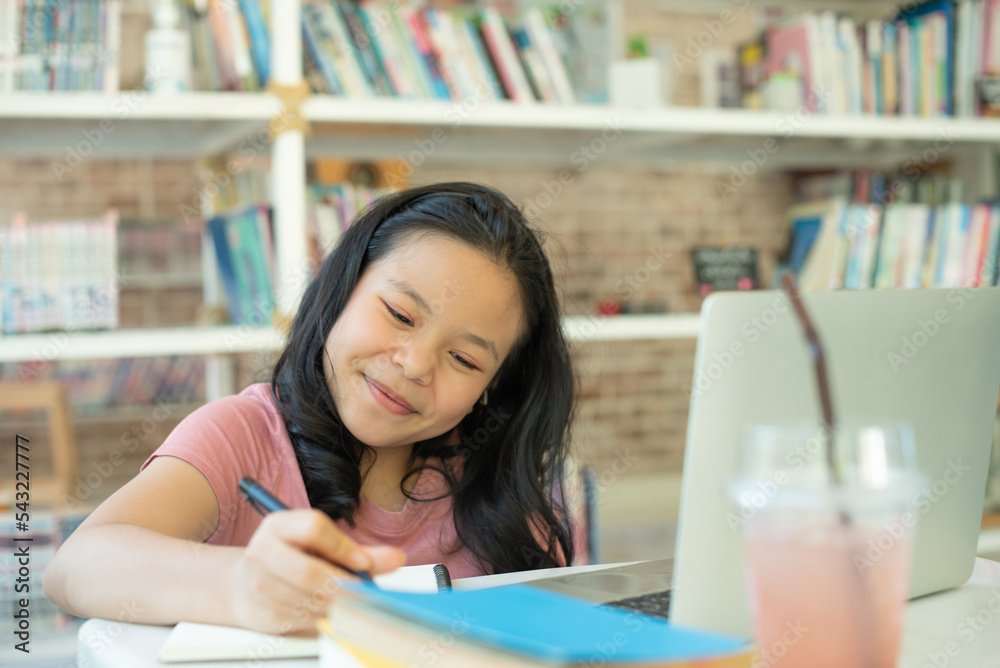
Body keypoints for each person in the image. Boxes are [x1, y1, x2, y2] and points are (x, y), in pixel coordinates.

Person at [43, 182, 583, 635]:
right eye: (399, 314)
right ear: (340, 289)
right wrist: (241, 587)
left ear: (492, 388)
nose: (416, 364)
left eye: (464, 359)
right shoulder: (242, 436)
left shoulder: (506, 493)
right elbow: (75, 565)